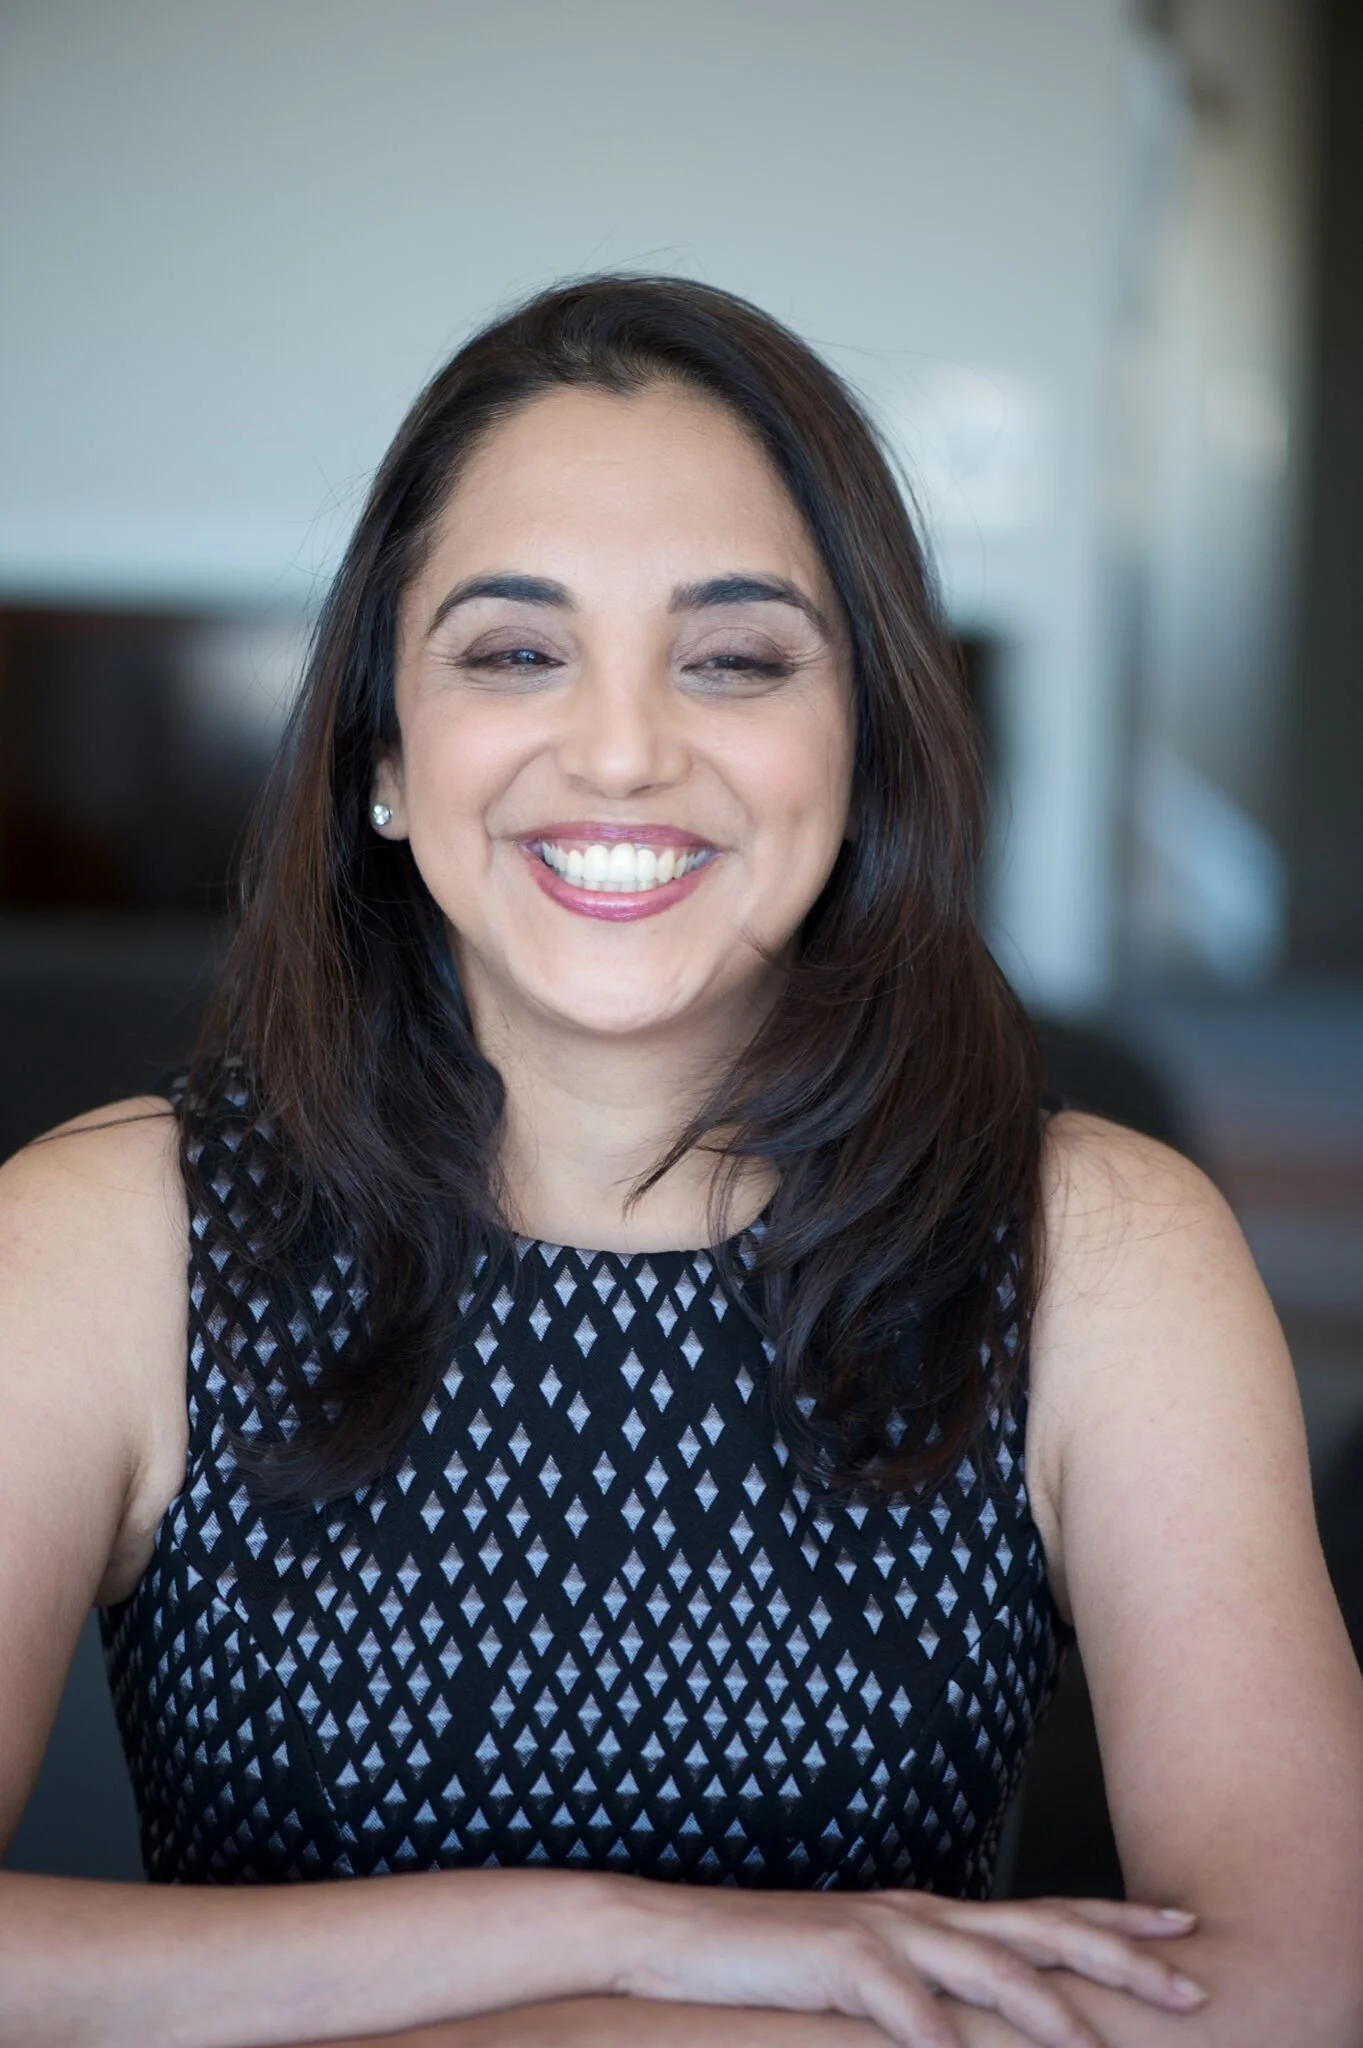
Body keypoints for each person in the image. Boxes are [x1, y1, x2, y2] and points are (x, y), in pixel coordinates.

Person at [0, 276, 1359, 2048]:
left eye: (734, 658)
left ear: (860, 742)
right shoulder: (108, 1236)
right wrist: (628, 1934)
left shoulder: (1100, 1247)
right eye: (515, 652)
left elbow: (1295, 1982)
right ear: (383, 756)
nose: (626, 749)